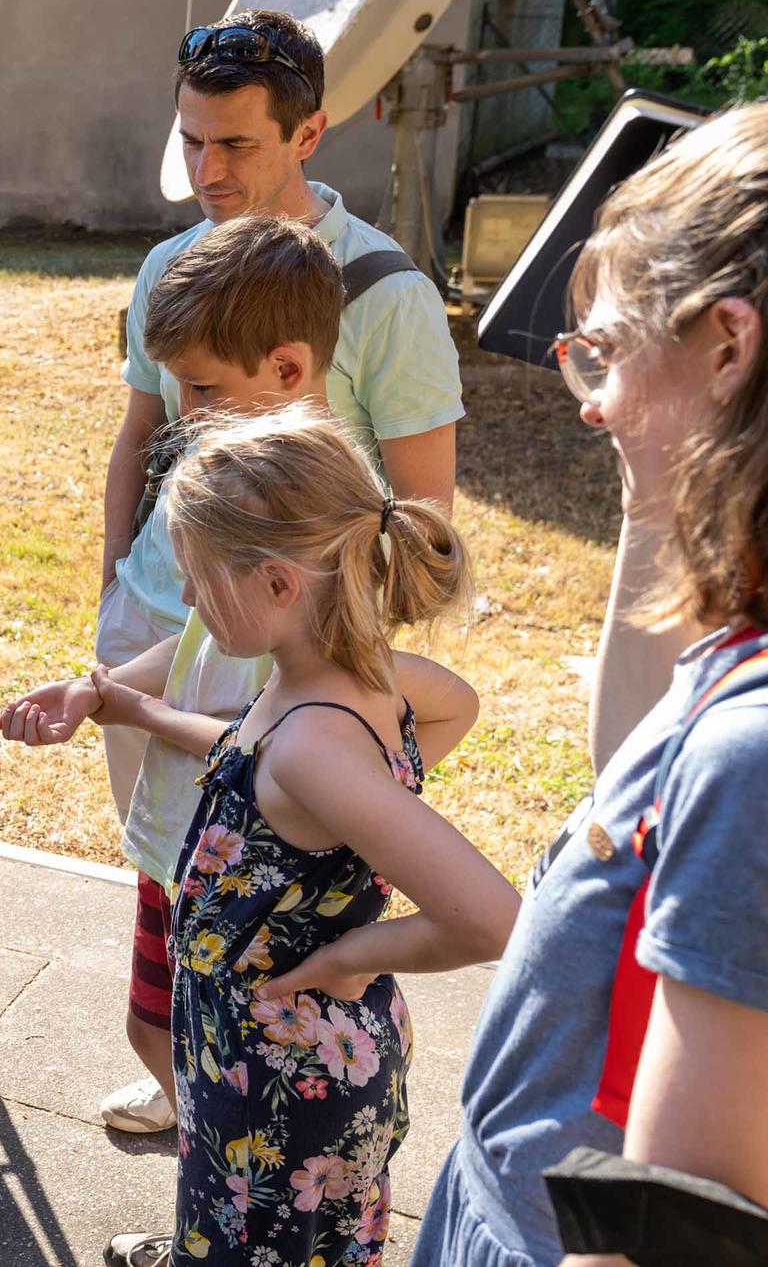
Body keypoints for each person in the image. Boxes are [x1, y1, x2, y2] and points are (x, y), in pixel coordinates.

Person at [92, 7, 465, 1137]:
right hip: (161, 630)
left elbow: (422, 509)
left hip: (282, 660)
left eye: (235, 144)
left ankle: (252, 1103)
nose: (204, 172)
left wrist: (322, 682)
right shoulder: (171, 263)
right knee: (167, 878)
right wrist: (115, 589)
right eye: (189, 142)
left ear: (307, 136)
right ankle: (186, 1081)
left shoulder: (384, 294)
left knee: (266, 915)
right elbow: (136, 439)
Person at [28, 405, 514, 1266]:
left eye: (197, 576)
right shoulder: (345, 681)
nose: (183, 598)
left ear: (280, 583)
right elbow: (454, 705)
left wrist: (347, 955)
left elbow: (494, 919)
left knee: (266, 1244)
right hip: (270, 1057)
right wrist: (356, 824)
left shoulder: (314, 743)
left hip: (281, 1082)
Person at [412, 102, 768, 1266]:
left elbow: (669, 1228)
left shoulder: (754, 753)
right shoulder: (742, 646)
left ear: (726, 344)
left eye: (605, 351)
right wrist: (654, 488)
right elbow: (628, 779)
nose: (586, 397)